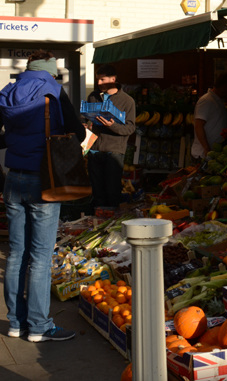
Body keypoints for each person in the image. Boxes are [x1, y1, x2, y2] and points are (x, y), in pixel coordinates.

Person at [0, 50, 86, 342]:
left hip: (13, 178)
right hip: (44, 180)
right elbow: (78, 131)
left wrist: (16, 140)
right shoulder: (53, 91)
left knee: (16, 254)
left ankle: (15, 323)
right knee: (40, 256)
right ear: (50, 71)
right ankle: (38, 327)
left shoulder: (9, 92)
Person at [86, 64, 136, 209]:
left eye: (102, 80)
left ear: (113, 79)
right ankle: (98, 221)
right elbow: (87, 119)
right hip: (94, 150)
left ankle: (111, 221)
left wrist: (111, 126)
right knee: (97, 192)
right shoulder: (93, 96)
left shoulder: (127, 101)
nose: (99, 83)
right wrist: (85, 123)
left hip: (114, 151)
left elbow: (130, 127)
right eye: (98, 80)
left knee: (112, 191)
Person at [191, 73, 227, 161]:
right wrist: (206, 149)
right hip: (203, 155)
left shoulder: (218, 101)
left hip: (214, 153)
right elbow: (198, 125)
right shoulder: (206, 100)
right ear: (223, 87)